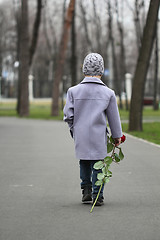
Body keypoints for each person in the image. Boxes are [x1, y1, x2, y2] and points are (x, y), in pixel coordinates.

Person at [63, 53, 122, 206]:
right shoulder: (108, 93)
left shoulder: (73, 91)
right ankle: (98, 195)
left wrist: (73, 129)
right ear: (101, 71)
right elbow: (113, 118)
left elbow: (68, 115)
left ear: (84, 70)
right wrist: (117, 136)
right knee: (99, 163)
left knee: (84, 162)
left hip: (81, 134)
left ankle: (86, 190)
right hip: (98, 135)